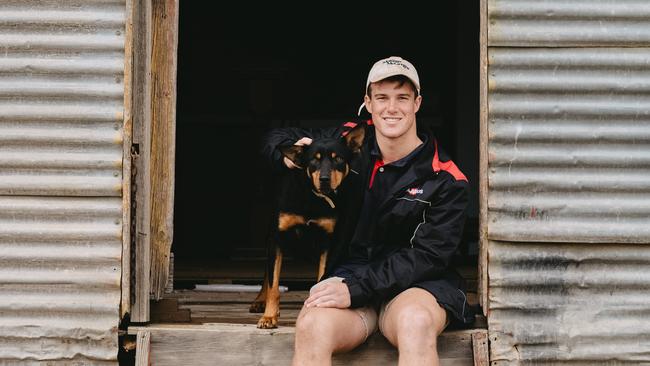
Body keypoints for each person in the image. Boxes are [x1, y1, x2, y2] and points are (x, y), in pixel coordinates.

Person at [261, 56, 474, 366]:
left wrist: (360, 288)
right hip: (351, 277)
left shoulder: (446, 178)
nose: (392, 108)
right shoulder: (350, 143)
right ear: (368, 103)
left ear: (417, 103)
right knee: (312, 324)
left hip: (416, 286)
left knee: (415, 323)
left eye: (402, 98)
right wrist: (289, 157)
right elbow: (276, 138)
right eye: (382, 98)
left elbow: (429, 257)